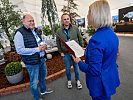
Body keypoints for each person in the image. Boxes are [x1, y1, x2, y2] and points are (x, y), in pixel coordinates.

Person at [72, 0, 120, 100]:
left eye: (89, 12)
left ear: (96, 15)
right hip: (109, 77)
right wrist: (88, 50)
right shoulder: (111, 33)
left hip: (100, 84)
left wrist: (79, 62)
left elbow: (94, 70)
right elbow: (106, 52)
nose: (87, 15)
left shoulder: (96, 40)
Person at [14, 14, 53, 100]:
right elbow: (20, 50)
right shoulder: (19, 33)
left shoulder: (36, 30)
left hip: (41, 59)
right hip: (31, 62)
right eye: (29, 21)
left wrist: (44, 46)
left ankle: (43, 90)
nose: (32, 23)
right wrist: (37, 49)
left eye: (33, 21)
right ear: (23, 22)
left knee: (43, 75)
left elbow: (42, 41)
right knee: (34, 82)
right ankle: (36, 97)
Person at [56, 13, 83, 89]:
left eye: (67, 19)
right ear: (62, 20)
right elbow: (58, 42)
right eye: (64, 19)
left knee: (76, 67)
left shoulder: (75, 28)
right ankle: (69, 81)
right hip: (66, 53)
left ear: (69, 19)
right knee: (67, 68)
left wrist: (81, 47)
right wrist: (60, 52)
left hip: (75, 52)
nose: (66, 20)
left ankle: (77, 80)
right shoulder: (59, 31)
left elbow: (80, 38)